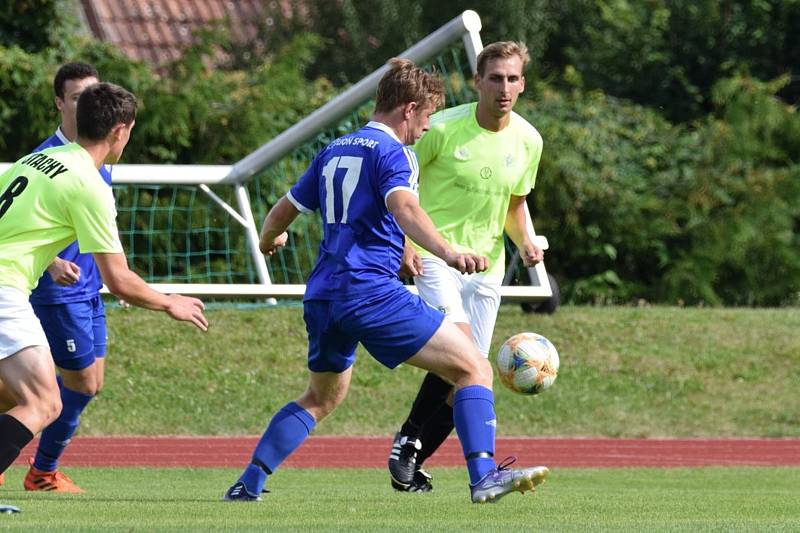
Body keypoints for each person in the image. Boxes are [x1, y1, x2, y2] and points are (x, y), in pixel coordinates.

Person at [223, 58, 548, 504]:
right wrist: (450, 252)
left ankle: (247, 485)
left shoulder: (334, 148)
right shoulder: (396, 153)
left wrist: (268, 240)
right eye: (428, 116)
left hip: (323, 296)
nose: (429, 127)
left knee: (321, 396)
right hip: (370, 292)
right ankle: (484, 476)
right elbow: (406, 208)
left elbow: (283, 210)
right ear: (409, 109)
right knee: (474, 366)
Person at [0, 83, 208, 498]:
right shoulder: (89, 183)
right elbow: (119, 280)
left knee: (10, 394)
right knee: (45, 402)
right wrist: (170, 303)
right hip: (4, 290)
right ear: (120, 131)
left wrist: (48, 258)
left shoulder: (39, 158)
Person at [387, 41, 546, 492]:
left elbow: (514, 206)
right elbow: (400, 191)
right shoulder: (441, 128)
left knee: (466, 376)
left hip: (487, 267)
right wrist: (404, 243)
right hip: (438, 259)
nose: (504, 87)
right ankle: (416, 444)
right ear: (477, 81)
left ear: (523, 84)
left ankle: (412, 453)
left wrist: (527, 242)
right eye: (495, 77)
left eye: (512, 78)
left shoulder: (529, 140)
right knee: (464, 355)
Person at [18, 62, 114, 493]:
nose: (88, 104)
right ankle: (41, 471)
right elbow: (20, 222)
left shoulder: (100, 155)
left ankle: (31, 458)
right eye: (78, 97)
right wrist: (54, 259)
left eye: (94, 95)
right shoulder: (43, 158)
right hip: (56, 292)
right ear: (60, 102)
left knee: (88, 383)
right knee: (81, 382)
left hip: (90, 289)